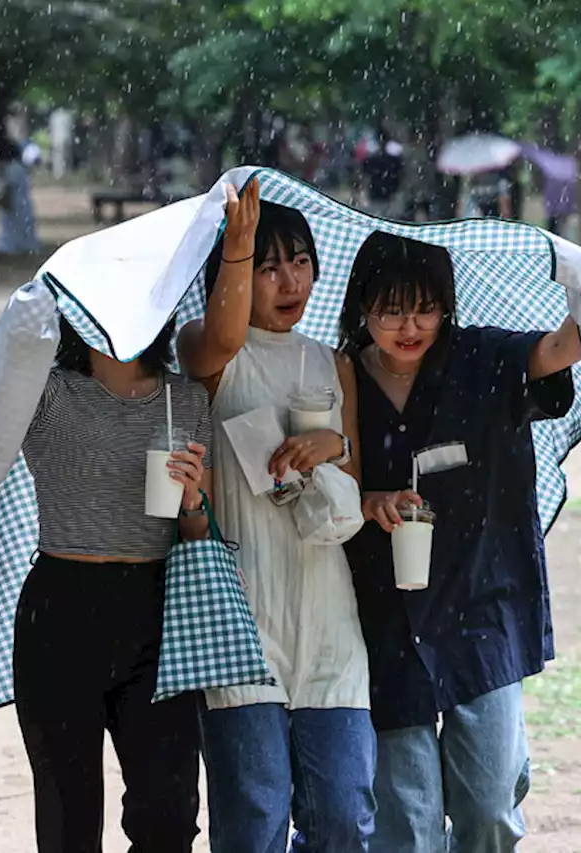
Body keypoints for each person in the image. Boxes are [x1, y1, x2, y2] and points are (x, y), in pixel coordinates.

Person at [339, 232, 581, 852]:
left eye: (424, 308)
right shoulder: (336, 379)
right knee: (408, 825)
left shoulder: (481, 359)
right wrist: (370, 503)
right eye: (389, 309)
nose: (408, 326)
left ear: (448, 307)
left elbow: (558, 351)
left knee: (490, 807)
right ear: (362, 309)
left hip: (482, 602)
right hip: (381, 618)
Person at [178, 179, 376, 853]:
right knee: (254, 819)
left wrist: (335, 446)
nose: (289, 280)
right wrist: (237, 248)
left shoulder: (332, 362)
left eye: (299, 262)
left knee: (344, 813)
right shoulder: (205, 350)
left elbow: (348, 487)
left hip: (329, 620)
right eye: (268, 267)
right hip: (243, 617)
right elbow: (225, 332)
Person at [15, 314, 214, 853]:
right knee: (68, 820)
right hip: (59, 609)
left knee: (169, 816)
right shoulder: (46, 393)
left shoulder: (186, 401)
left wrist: (193, 501)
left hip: (155, 609)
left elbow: (198, 532)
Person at [0, 138, 40, 257]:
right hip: (23, 202)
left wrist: (2, 201)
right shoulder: (19, 167)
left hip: (16, 202)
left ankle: (10, 247)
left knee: (12, 226)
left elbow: (8, 189)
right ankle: (23, 246)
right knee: (21, 226)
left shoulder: (11, 169)